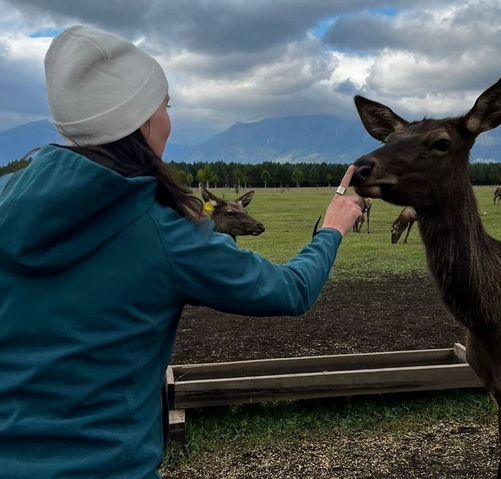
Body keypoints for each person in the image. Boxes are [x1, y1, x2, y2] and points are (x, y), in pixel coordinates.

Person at [0, 25, 362, 478]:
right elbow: (290, 291)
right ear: (138, 120)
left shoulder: (4, 201)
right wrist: (332, 228)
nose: (170, 121)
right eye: (165, 106)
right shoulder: (164, 230)